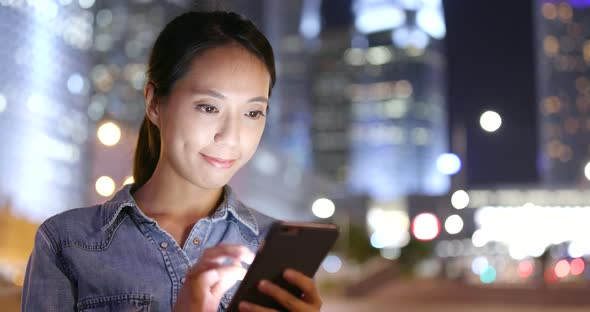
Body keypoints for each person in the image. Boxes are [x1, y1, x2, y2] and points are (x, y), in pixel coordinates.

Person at [21, 11, 322, 312]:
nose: (231, 136)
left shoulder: (273, 247)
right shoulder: (67, 242)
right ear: (154, 102)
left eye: (253, 113)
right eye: (208, 107)